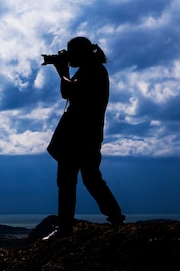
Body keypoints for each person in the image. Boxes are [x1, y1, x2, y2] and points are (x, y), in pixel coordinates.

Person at [45, 36, 125, 239]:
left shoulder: (93, 72)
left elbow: (68, 92)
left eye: (71, 53)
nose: (69, 57)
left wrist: (62, 72)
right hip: (86, 135)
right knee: (86, 179)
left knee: (74, 181)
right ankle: (114, 218)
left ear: (81, 53)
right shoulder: (93, 70)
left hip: (80, 136)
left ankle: (66, 228)